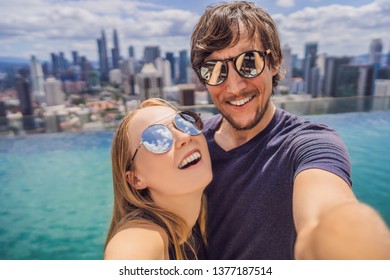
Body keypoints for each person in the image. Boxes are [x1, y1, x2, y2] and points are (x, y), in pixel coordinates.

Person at [190, 1, 390, 259]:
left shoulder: (309, 143)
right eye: (214, 70)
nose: (234, 86)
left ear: (274, 62)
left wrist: (347, 241)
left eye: (248, 62)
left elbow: (321, 219)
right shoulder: (192, 144)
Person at [104, 98, 212, 260]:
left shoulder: (192, 231)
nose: (184, 136)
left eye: (184, 122)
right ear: (135, 179)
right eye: (156, 138)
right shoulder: (138, 239)